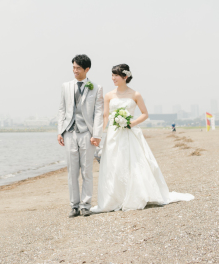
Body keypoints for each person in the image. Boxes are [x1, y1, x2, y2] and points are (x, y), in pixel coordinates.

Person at [93, 64, 194, 213]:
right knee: (114, 163)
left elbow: (145, 114)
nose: (113, 78)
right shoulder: (108, 95)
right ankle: (115, 198)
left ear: (125, 77)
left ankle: (135, 195)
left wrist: (131, 123)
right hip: (114, 133)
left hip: (129, 132)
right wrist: (98, 134)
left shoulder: (135, 94)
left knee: (133, 163)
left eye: (116, 75)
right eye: (112, 75)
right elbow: (106, 116)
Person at [57, 54, 104, 218]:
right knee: (72, 172)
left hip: (87, 134)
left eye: (78, 68)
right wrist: (60, 131)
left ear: (87, 69)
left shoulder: (96, 88)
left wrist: (97, 134)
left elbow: (98, 113)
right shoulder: (66, 86)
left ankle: (85, 205)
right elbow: (62, 109)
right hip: (69, 132)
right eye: (73, 68)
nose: (74, 71)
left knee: (87, 171)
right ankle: (74, 206)